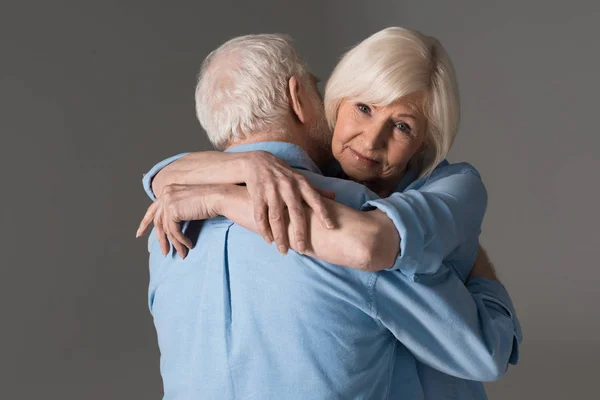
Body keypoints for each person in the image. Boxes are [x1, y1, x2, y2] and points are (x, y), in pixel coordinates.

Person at [137, 31, 521, 399]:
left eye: (402, 126)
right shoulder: (336, 210)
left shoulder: (168, 221)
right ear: (301, 96)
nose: (371, 140)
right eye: (363, 108)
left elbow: (161, 177)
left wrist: (223, 195)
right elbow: (483, 352)